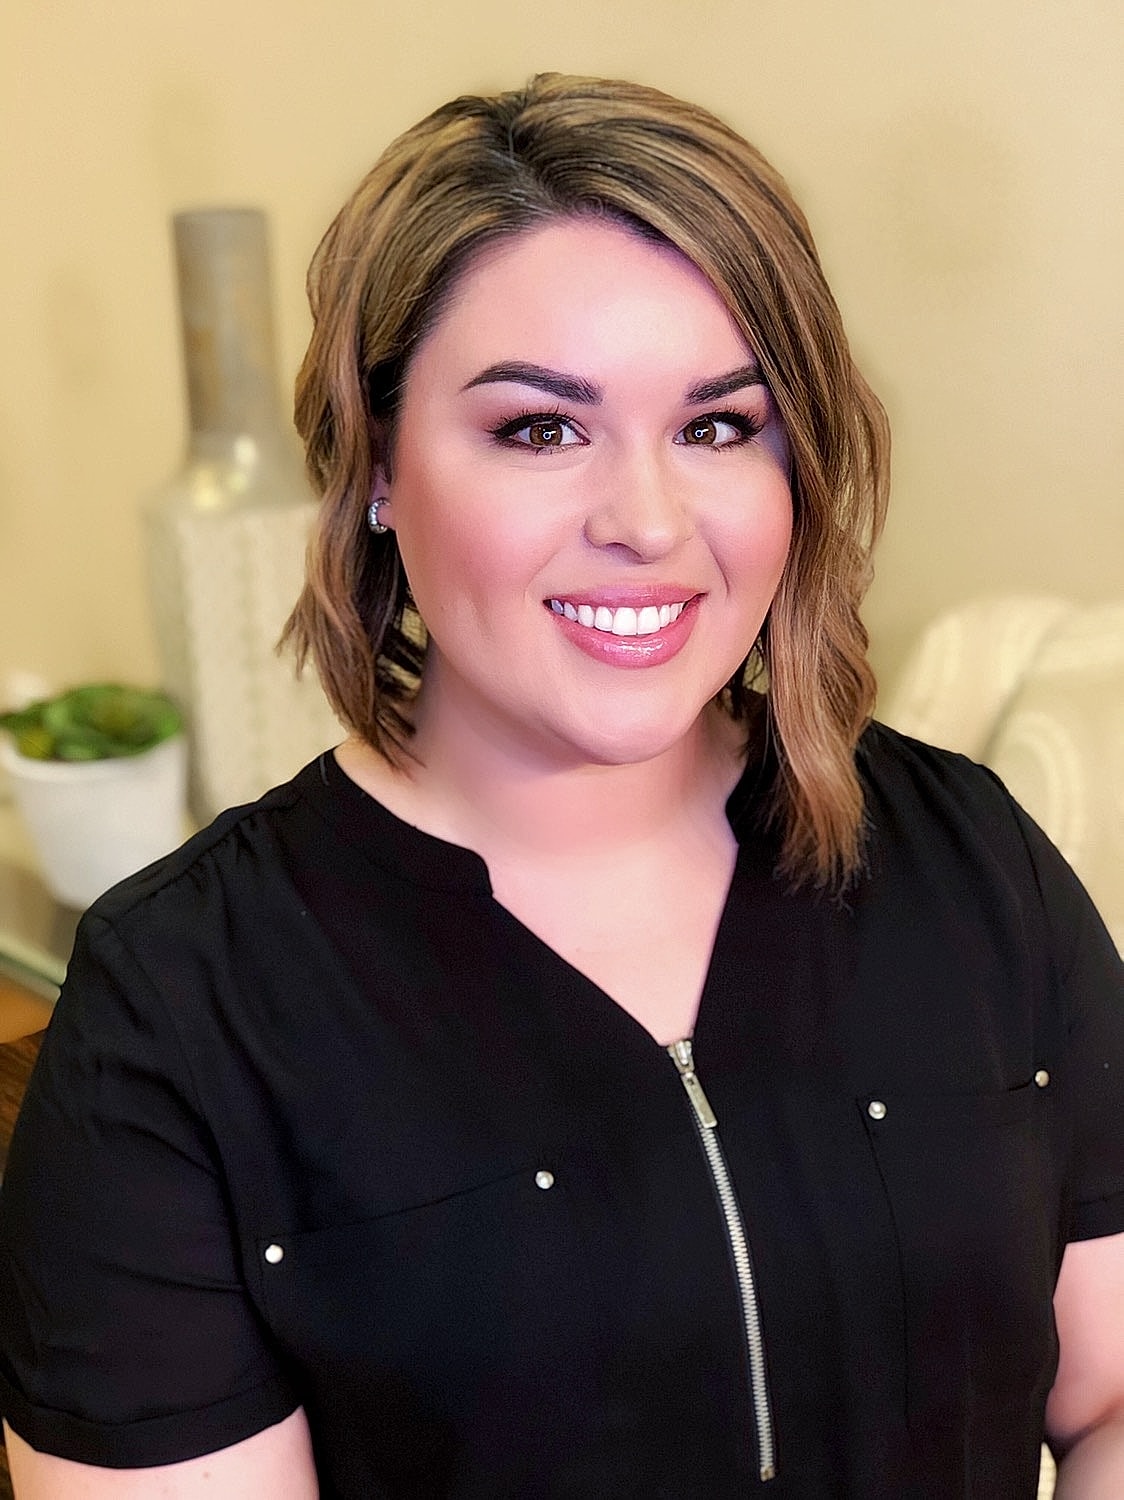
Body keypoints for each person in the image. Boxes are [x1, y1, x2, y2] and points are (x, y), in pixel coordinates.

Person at [0, 72, 1121, 1499]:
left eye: (718, 426)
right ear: (376, 467)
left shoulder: (973, 864)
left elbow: (1111, 1401)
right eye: (541, 428)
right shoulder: (179, 1009)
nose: (646, 521)